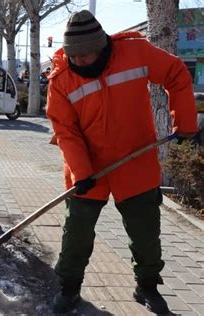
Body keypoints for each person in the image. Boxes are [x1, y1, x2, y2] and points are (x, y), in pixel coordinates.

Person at [46, 10, 199, 314]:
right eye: (74, 57)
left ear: (101, 46)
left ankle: (147, 286)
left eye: (86, 56)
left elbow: (176, 74)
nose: (80, 62)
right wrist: (82, 171)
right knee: (76, 232)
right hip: (88, 168)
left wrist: (185, 123)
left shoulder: (134, 52)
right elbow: (65, 130)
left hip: (136, 160)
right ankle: (69, 288)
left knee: (145, 232)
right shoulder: (61, 80)